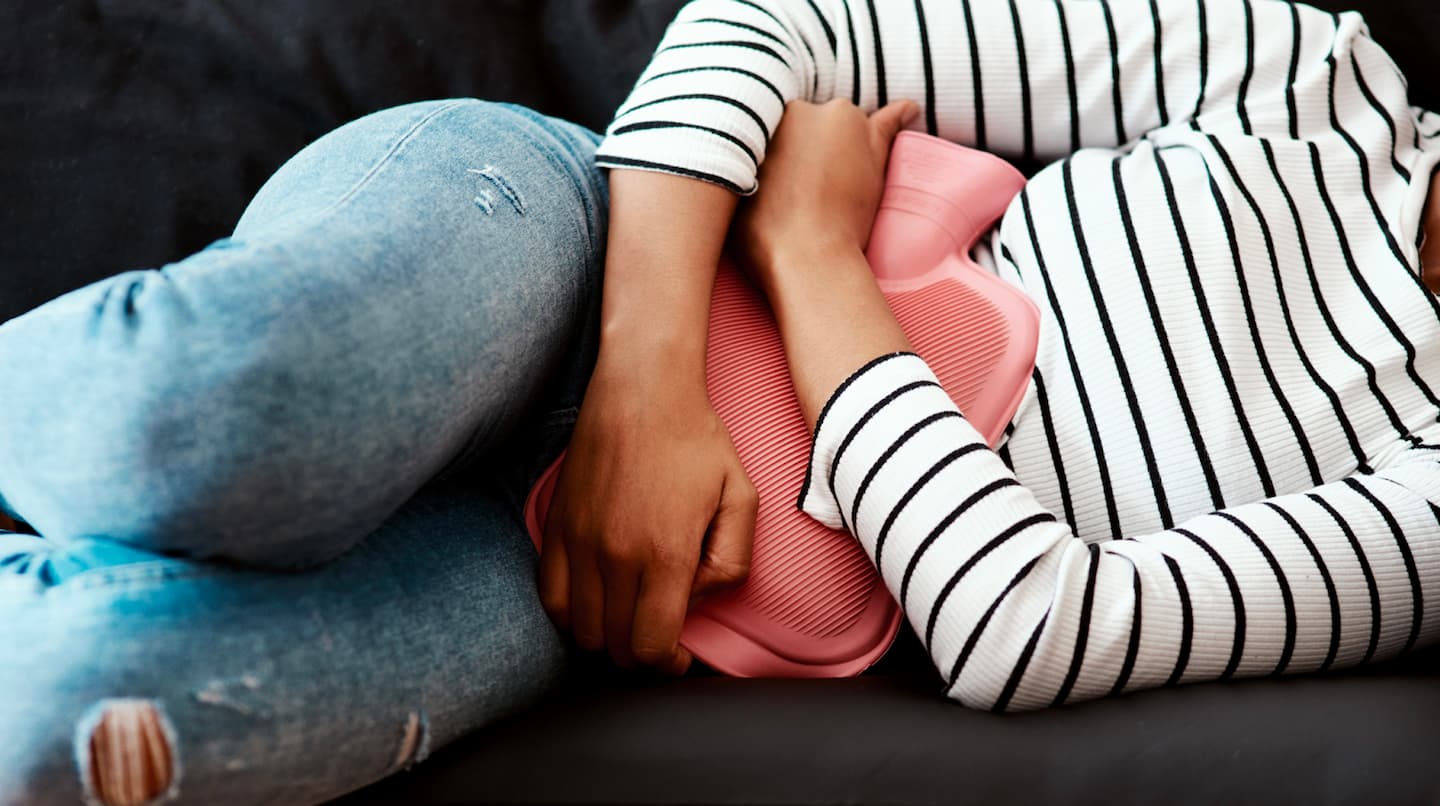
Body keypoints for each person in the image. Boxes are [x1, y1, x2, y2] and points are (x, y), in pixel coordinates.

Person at [2, 0, 1438, 802]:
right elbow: (769, 28)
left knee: (76, 713)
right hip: (567, 250)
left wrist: (815, 257)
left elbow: (1033, 625)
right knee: (178, 416)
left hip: (618, 600)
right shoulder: (1305, 78)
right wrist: (640, 393)